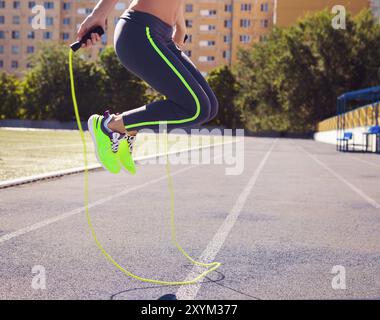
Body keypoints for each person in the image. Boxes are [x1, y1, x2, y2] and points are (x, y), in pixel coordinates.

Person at [77, 0, 219, 174]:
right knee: (196, 108)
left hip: (163, 36)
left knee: (210, 107)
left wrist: (181, 27)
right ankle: (109, 126)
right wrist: (97, 15)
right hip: (140, 31)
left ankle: (127, 131)